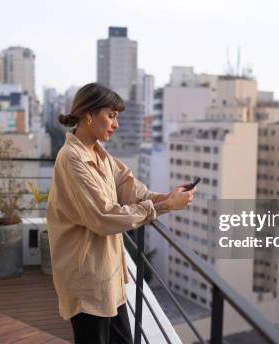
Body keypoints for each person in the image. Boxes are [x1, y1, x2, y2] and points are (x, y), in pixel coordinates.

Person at [46, 83, 195, 344]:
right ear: (89, 115)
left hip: (108, 278)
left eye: (117, 117)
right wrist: (165, 207)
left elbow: (133, 190)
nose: (116, 124)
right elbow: (103, 217)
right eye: (111, 115)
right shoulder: (71, 158)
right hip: (87, 279)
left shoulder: (102, 156)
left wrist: (169, 198)